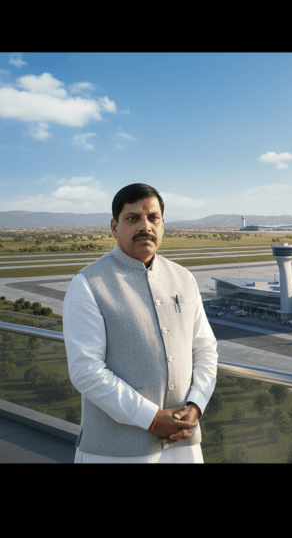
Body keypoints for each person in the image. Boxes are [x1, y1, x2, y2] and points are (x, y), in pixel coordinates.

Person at [63, 183, 218, 463]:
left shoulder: (184, 278)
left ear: (162, 225)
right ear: (114, 226)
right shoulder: (88, 283)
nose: (145, 226)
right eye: (133, 218)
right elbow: (86, 370)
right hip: (115, 451)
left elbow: (205, 349)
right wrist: (153, 419)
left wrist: (196, 405)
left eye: (153, 218)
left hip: (184, 443)